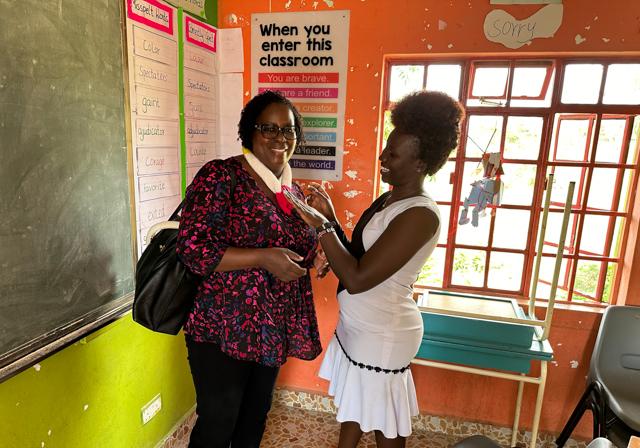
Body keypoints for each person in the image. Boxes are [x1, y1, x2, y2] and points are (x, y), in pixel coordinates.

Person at [287, 90, 464, 448]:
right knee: (353, 407)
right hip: (360, 326)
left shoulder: (419, 215)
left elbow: (357, 278)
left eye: (393, 154)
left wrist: (320, 225)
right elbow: (359, 255)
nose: (382, 157)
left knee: (387, 425)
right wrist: (332, 218)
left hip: (384, 332)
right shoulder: (391, 197)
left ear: (419, 163)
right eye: (386, 148)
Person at [176, 90, 326, 448]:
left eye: (288, 130)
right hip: (221, 328)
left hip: (269, 328)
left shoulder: (292, 191)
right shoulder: (221, 176)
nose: (280, 138)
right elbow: (193, 250)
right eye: (268, 128)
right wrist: (261, 257)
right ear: (249, 132)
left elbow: (295, 246)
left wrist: (317, 255)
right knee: (218, 421)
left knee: (255, 417)